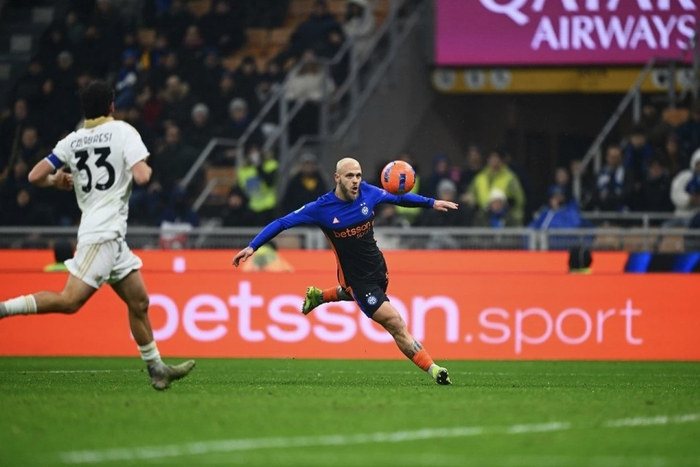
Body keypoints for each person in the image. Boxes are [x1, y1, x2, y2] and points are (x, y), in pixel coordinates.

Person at [0, 80, 195, 391]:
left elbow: (35, 175)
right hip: (101, 233)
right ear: (112, 106)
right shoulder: (123, 131)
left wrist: (55, 182)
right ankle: (3, 309)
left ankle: (157, 369)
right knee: (69, 301)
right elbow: (142, 175)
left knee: (139, 302)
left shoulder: (72, 140)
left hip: (112, 237)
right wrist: (143, 169)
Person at [233, 158, 458, 385]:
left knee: (355, 296)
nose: (355, 181)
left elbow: (398, 198)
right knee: (395, 323)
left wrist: (431, 203)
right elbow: (282, 222)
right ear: (337, 178)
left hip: (379, 269)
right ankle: (434, 369)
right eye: (350, 176)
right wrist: (253, 246)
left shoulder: (368, 192)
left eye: (358, 175)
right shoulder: (321, 208)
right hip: (357, 280)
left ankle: (320, 296)